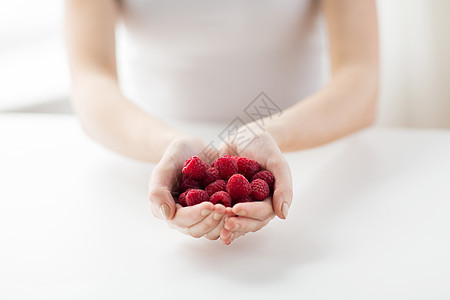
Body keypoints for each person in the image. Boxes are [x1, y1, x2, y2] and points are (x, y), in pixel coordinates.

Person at [65, 0, 378, 245]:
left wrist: (268, 134)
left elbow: (361, 80)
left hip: (310, 152)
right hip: (143, 150)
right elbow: (90, 80)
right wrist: (169, 146)